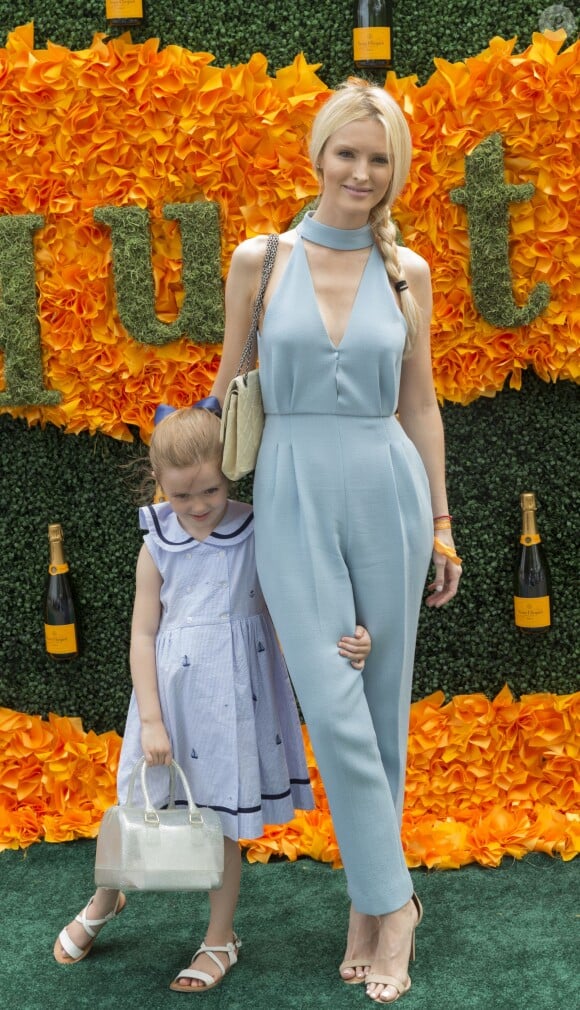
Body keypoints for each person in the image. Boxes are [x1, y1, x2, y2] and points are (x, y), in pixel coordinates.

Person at [211, 79, 462, 1004]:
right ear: (318, 155)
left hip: (388, 485)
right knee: (334, 694)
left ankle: (368, 907)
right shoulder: (259, 259)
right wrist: (186, 501)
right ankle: (397, 904)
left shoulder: (410, 273)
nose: (361, 171)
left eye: (380, 156)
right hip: (288, 491)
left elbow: (421, 404)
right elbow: (227, 388)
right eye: (347, 152)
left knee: (382, 704)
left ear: (397, 169)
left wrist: (441, 520)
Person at [53, 406, 372, 992]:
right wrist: (151, 718)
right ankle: (106, 897)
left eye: (211, 489)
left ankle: (220, 939)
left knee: (219, 818)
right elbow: (143, 634)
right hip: (170, 701)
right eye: (182, 495)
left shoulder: (257, 528)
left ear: (230, 474)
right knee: (134, 803)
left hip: (236, 701)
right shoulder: (158, 543)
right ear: (159, 483)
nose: (198, 505)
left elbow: (300, 596)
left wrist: (351, 633)